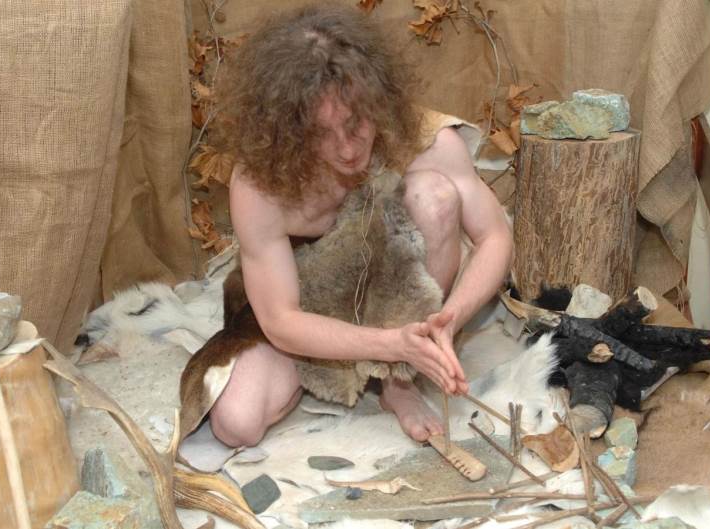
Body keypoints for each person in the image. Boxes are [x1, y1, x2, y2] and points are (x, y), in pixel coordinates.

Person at [207, 4, 512, 447]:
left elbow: (495, 236)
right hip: (305, 305)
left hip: (391, 290)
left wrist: (449, 320)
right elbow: (279, 318)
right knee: (236, 424)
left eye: (355, 124)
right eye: (321, 134)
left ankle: (397, 384)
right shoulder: (261, 181)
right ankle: (338, 363)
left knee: (435, 197)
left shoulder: (424, 138)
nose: (347, 149)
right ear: (289, 130)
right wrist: (388, 344)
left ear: (377, 103)